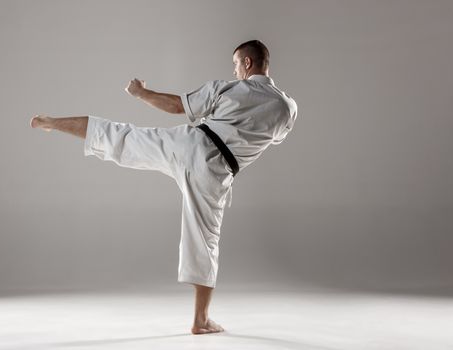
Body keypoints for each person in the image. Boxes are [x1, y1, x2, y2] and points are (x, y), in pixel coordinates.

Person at [30, 40, 297, 334]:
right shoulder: (287, 108)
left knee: (123, 137)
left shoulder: (229, 89)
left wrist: (140, 93)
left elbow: (176, 106)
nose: (234, 71)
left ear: (248, 63)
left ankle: (52, 122)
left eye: (236, 64)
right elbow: (269, 138)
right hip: (217, 171)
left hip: (189, 144)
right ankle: (201, 320)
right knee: (205, 241)